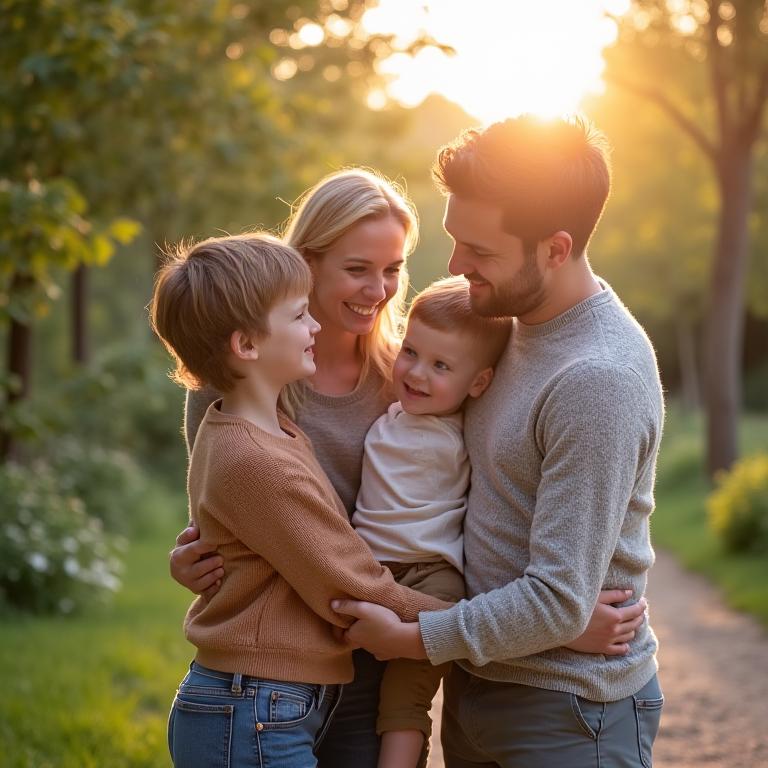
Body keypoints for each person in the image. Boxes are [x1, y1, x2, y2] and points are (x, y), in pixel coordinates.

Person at [169, 167, 648, 767]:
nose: (378, 289)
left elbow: (479, 505)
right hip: (285, 653)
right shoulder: (240, 381)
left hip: (376, 644)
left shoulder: (408, 379)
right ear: (306, 262)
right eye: (357, 269)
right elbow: (226, 512)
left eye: (393, 269)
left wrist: (545, 619)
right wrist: (192, 555)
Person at [332, 115, 666, 768]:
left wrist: (413, 638)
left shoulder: (596, 378)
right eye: (458, 241)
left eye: (479, 251)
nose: (457, 266)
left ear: (555, 248)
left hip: (567, 710)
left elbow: (556, 601)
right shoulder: (498, 328)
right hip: (480, 688)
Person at [149, 232, 448, 768]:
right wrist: (489, 628)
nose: (314, 326)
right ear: (246, 345)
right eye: (298, 316)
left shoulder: (274, 430)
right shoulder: (255, 460)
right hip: (252, 708)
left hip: (272, 702)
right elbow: (354, 582)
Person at [352, 275, 512, 768]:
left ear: (478, 383)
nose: (418, 373)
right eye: (411, 352)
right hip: (369, 569)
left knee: (405, 699)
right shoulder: (390, 409)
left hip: (432, 578)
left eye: (441, 365)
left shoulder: (467, 429)